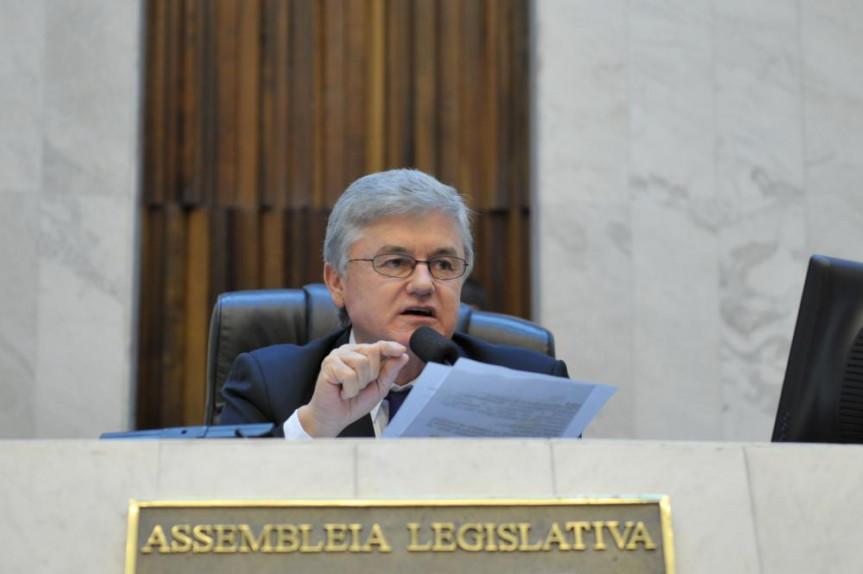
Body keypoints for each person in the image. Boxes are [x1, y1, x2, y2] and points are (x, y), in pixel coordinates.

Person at [219, 169, 569, 437]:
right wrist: (316, 426)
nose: (423, 284)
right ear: (337, 282)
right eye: (395, 263)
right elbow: (220, 516)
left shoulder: (530, 385)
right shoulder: (269, 384)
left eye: (444, 265)